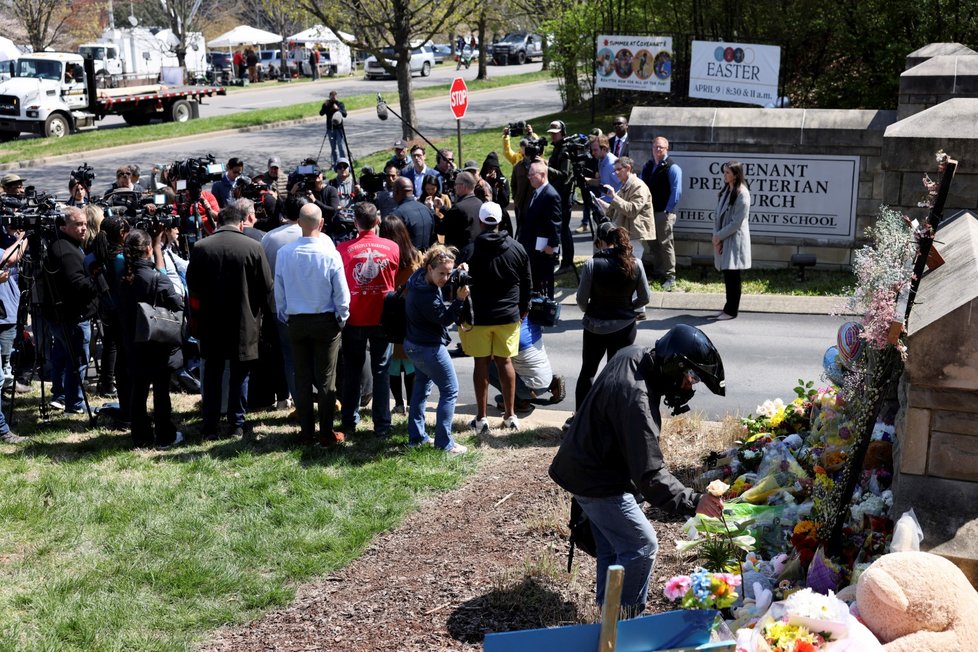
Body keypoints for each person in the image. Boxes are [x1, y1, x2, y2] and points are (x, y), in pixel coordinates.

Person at [549, 324, 727, 617]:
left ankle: (607, 619)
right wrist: (695, 502)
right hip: (595, 479)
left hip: (585, 463)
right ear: (674, 365)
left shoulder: (636, 356)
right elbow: (651, 475)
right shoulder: (637, 399)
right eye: (692, 377)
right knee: (642, 545)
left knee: (613, 546)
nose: (690, 386)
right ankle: (623, 623)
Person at [186, 199, 274, 440]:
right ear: (241, 224)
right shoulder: (253, 247)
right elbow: (267, 287)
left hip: (210, 322)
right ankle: (236, 425)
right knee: (239, 375)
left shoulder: (201, 248)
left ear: (217, 222)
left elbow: (192, 287)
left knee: (212, 375)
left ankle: (210, 426)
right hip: (244, 322)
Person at [275, 203, 350, 446]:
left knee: (302, 378)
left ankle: (307, 432)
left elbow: (280, 290)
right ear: (321, 224)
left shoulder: (285, 253)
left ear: (299, 223)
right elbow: (341, 293)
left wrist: (286, 314)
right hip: (325, 320)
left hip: (297, 320)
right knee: (326, 378)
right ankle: (326, 433)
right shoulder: (330, 253)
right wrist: (342, 317)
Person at [461, 202, 531, 433]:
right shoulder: (517, 248)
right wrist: (523, 309)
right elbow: (527, 282)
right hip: (508, 315)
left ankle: (481, 418)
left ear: (481, 222)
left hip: (478, 317)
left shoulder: (470, 250)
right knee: (505, 362)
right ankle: (510, 416)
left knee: (480, 362)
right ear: (500, 221)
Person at [119, 228, 185, 448]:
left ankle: (140, 437)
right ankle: (164, 435)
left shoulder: (124, 279)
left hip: (132, 343)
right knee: (160, 391)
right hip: (157, 343)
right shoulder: (158, 278)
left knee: (138, 390)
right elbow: (178, 304)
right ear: (148, 249)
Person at [337, 202, 399, 438]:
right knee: (381, 371)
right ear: (378, 221)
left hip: (355, 318)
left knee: (352, 371)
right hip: (383, 318)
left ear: (355, 223)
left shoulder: (343, 249)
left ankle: (350, 421)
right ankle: (382, 424)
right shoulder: (392, 247)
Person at [575, 222, 651, 410]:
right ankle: (613, 418)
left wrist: (590, 309)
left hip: (595, 326)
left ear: (600, 241)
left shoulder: (592, 264)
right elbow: (645, 297)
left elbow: (581, 299)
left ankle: (580, 417)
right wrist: (629, 307)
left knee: (588, 371)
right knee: (618, 374)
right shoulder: (635, 263)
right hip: (624, 327)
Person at [403, 245, 469, 455]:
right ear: (430, 268)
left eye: (449, 273)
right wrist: (459, 300)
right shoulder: (427, 296)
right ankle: (445, 443)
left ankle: (417, 438)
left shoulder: (418, 277)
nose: (446, 278)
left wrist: (457, 271)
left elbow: (445, 271)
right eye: (442, 273)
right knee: (450, 390)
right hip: (429, 348)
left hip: (413, 344)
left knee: (421, 389)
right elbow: (445, 319)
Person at [43, 206, 99, 414]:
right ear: (64, 226)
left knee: (62, 356)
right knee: (77, 360)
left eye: (85, 223)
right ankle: (74, 402)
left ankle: (60, 395)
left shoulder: (65, 244)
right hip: (73, 316)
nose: (83, 228)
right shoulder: (66, 250)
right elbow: (78, 284)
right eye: (78, 224)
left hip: (62, 315)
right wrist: (97, 281)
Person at [379, 214, 422, 416]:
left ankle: (398, 404)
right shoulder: (416, 256)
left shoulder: (386, 256)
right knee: (410, 364)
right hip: (411, 316)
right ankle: (412, 404)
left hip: (391, 315)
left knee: (394, 366)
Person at [488, 317, 566, 413]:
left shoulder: (512, 335)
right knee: (517, 361)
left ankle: (518, 401)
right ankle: (550, 384)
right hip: (544, 378)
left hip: (530, 388)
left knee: (486, 367)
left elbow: (493, 358)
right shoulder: (531, 320)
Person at [640, 137, 683, 292]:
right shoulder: (648, 166)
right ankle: (659, 272)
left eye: (661, 148)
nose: (658, 150)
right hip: (649, 212)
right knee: (653, 244)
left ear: (667, 148)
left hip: (663, 213)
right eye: (655, 147)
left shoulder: (673, 167)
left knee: (666, 244)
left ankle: (670, 276)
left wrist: (667, 210)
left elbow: (676, 191)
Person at [712, 160, 752, 321]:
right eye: (724, 172)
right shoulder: (727, 191)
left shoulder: (743, 193)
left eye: (728, 172)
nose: (724, 175)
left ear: (736, 175)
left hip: (734, 240)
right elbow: (718, 216)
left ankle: (731, 310)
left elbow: (736, 222)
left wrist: (718, 236)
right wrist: (717, 237)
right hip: (723, 238)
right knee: (728, 276)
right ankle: (727, 308)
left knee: (733, 277)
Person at [595, 156, 655, 261]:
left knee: (632, 263)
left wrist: (614, 197)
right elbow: (614, 209)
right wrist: (600, 204)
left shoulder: (639, 186)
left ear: (628, 168)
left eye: (618, 169)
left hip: (634, 233)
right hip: (625, 232)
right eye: (615, 170)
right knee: (624, 263)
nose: (616, 173)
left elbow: (631, 210)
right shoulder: (624, 186)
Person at [518, 160, 561, 298]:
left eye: (532, 175)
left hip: (543, 250)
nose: (529, 177)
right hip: (532, 247)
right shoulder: (536, 192)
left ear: (542, 175)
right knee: (535, 282)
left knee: (543, 283)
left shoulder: (550, 195)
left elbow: (555, 223)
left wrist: (552, 245)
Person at [546, 120, 575, 273]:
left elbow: (564, 175)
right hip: (557, 194)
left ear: (562, 132)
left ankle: (568, 263)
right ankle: (558, 258)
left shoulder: (564, 150)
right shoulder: (558, 148)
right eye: (551, 133)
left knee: (564, 230)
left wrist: (546, 168)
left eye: (555, 133)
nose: (553, 135)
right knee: (559, 229)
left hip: (563, 196)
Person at [437, 171, 481, 261]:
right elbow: (457, 216)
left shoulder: (459, 207)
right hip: (476, 252)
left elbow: (441, 230)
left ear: (463, 186)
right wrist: (442, 208)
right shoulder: (479, 203)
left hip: (459, 256)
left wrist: (431, 212)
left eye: (456, 184)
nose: (454, 187)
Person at [392, 177, 436, 252]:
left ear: (396, 192)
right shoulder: (427, 210)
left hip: (407, 261)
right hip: (426, 260)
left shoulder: (397, 215)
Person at [479, 152, 512, 235]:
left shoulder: (502, 180)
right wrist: (486, 183)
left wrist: (501, 190)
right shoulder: (480, 181)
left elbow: (505, 202)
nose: (492, 171)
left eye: (495, 168)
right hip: (484, 215)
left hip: (500, 216)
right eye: (490, 168)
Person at [319, 91, 348, 167]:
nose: (333, 98)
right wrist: (325, 106)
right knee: (333, 147)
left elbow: (345, 114)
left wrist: (338, 109)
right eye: (332, 97)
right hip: (330, 129)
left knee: (340, 146)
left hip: (339, 128)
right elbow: (321, 113)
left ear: (336, 97)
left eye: (334, 97)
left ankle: (344, 162)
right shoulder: (327, 104)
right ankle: (335, 163)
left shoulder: (340, 104)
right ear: (329, 97)